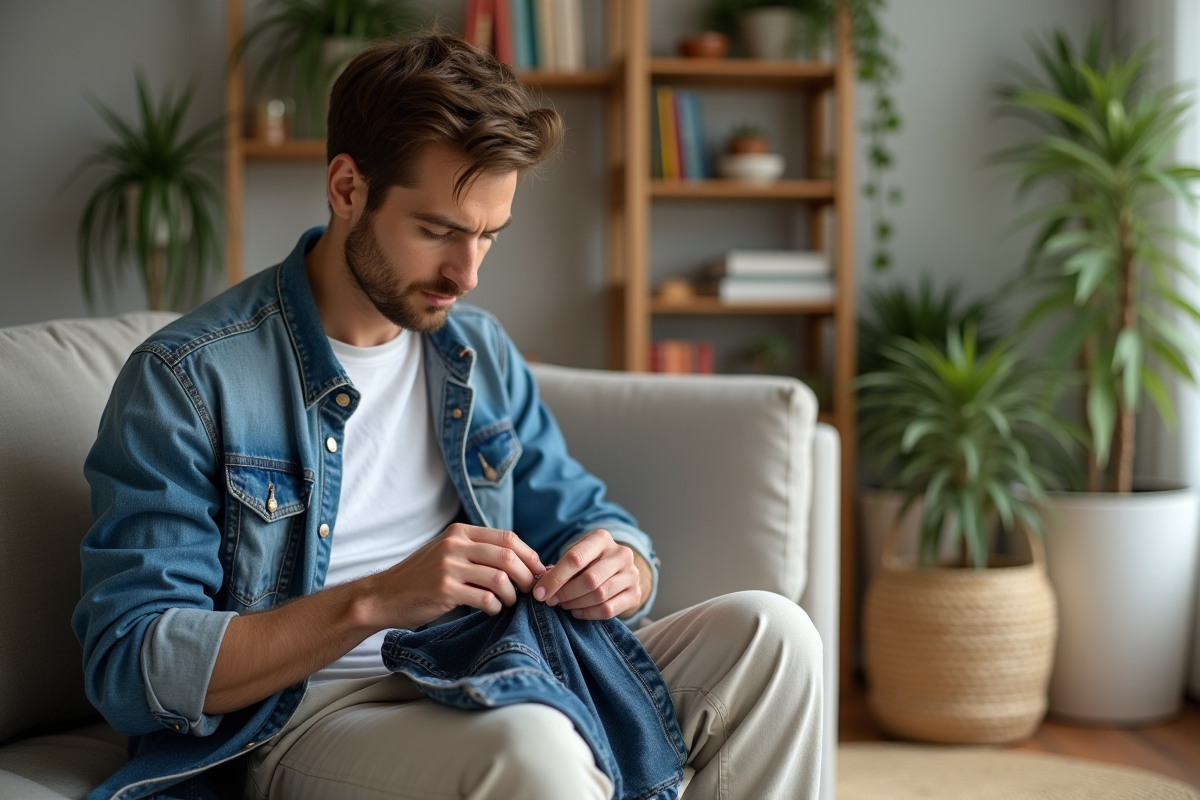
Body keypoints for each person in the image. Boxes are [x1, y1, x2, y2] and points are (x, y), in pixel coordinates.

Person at [73, 31, 823, 800]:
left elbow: (580, 515)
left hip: (490, 660)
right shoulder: (189, 379)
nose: (466, 273)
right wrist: (377, 600)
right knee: (534, 748)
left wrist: (620, 566)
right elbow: (131, 664)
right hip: (304, 715)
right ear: (346, 188)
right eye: (437, 232)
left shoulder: (476, 353)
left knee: (775, 636)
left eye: (489, 236)